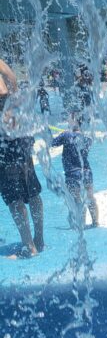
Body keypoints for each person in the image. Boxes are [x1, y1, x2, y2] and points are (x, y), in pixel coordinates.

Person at [0, 87, 45, 257]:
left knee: (14, 198)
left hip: (5, 141)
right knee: (32, 190)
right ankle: (38, 240)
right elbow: (13, 88)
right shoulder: (5, 69)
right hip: (20, 137)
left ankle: (29, 247)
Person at [51, 111, 99, 228]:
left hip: (72, 174)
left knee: (77, 199)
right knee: (90, 197)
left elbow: (52, 143)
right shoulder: (88, 139)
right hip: (87, 172)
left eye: (69, 119)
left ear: (74, 120)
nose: (67, 121)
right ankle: (95, 221)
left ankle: (81, 224)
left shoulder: (66, 135)